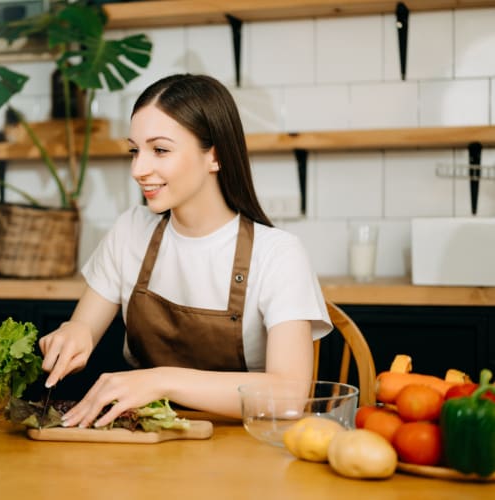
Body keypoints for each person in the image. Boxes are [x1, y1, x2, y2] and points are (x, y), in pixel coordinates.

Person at [39, 74, 332, 428]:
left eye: (160, 150)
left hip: (243, 450)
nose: (138, 169)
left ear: (215, 156)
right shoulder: (130, 232)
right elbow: (84, 326)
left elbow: (288, 396)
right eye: (135, 150)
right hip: (147, 440)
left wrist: (160, 379)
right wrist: (74, 333)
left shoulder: (278, 254)